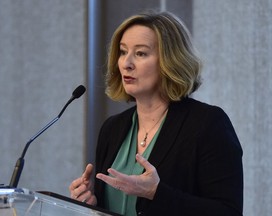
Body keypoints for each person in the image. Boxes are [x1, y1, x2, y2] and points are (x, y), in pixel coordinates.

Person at [69, 11, 243, 216]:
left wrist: (157, 193)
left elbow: (228, 212)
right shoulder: (112, 128)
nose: (126, 63)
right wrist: (91, 202)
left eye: (140, 53)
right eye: (123, 52)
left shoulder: (207, 124)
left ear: (170, 61)